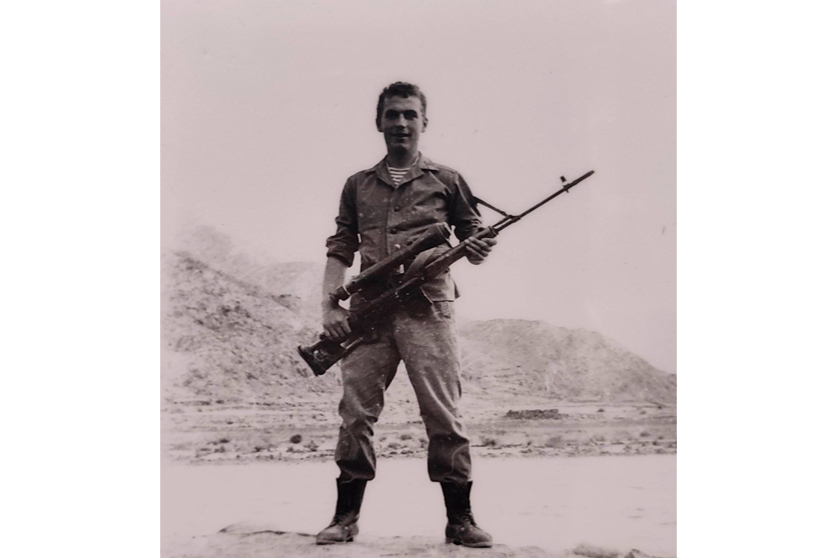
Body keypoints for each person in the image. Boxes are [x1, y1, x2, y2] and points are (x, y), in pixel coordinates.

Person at [316, 82, 497, 548]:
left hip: (428, 310)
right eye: (393, 114)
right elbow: (340, 247)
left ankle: (460, 520)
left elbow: (473, 237)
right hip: (370, 313)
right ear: (379, 122)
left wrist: (479, 247)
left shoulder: (448, 180)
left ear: (424, 122)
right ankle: (344, 518)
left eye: (410, 114)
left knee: (442, 413)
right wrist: (329, 305)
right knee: (355, 414)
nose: (401, 123)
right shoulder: (357, 185)